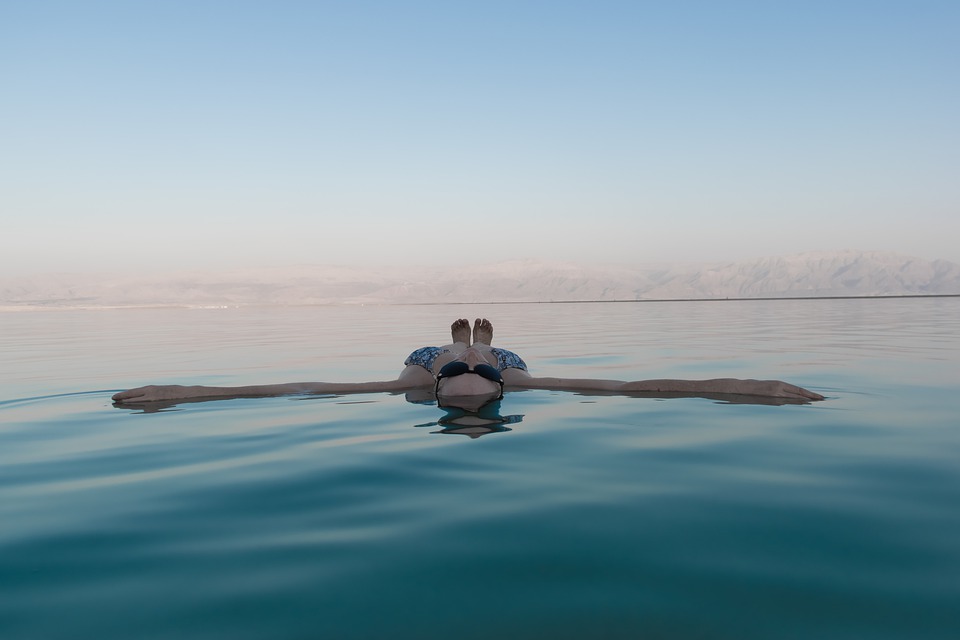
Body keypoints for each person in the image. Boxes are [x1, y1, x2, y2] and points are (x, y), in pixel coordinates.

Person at [111, 318, 825, 405]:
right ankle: (471, 333)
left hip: (446, 361)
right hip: (469, 360)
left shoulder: (417, 383)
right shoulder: (511, 378)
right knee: (476, 349)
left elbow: (295, 388)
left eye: (470, 368)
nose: (474, 378)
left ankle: (469, 333)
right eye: (469, 371)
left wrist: (182, 392)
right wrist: (737, 387)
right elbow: (629, 387)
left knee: (466, 350)